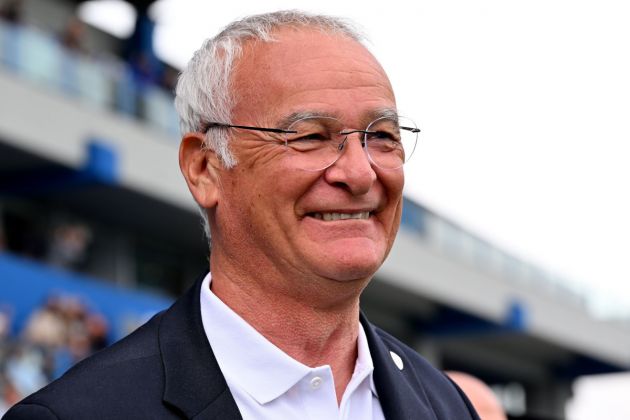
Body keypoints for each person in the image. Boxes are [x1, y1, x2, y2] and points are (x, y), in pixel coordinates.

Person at [4, 11, 479, 419]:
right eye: (311, 135)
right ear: (205, 168)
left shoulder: (444, 404)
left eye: (382, 137)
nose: (360, 172)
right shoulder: (79, 415)